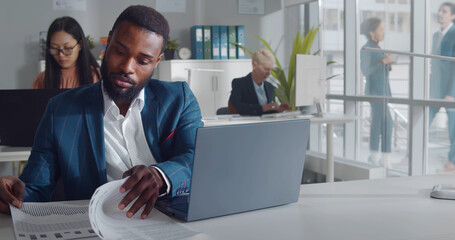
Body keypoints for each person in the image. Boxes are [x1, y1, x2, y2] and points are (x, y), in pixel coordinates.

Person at [0, 5, 203, 219]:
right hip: (98, 225)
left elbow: (195, 157)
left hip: (172, 220)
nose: (127, 67)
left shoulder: (178, 99)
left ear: (157, 61)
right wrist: (12, 193)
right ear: (109, 43)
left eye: (143, 61)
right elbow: (33, 188)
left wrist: (161, 176)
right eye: (120, 51)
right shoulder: (60, 111)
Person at [360, 17, 394, 170]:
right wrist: (383, 62)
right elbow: (366, 71)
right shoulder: (367, 48)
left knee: (379, 123)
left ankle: (376, 156)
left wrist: (387, 62)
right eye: (380, 29)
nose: (384, 32)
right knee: (385, 123)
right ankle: (381, 157)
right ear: (371, 32)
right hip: (375, 93)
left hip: (382, 92)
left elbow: (381, 70)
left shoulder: (377, 47)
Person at [33, 16, 100, 89]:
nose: (61, 55)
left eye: (67, 48)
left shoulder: (96, 76)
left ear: (80, 45)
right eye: (54, 48)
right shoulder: (42, 79)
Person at [429, 2, 455, 172]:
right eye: (439, 11)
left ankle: (452, 162)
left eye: (444, 11)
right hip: (435, 90)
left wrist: (452, 92)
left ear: (453, 16)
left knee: (453, 128)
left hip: (450, 91)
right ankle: (409, 157)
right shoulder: (435, 35)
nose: (440, 14)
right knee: (422, 121)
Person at [228, 48, 290, 116]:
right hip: (246, 124)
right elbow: (236, 107)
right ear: (254, 65)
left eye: (270, 70)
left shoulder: (269, 87)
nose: (268, 73)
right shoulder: (239, 84)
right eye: (266, 69)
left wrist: (277, 110)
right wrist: (262, 108)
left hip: (264, 125)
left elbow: (265, 114)